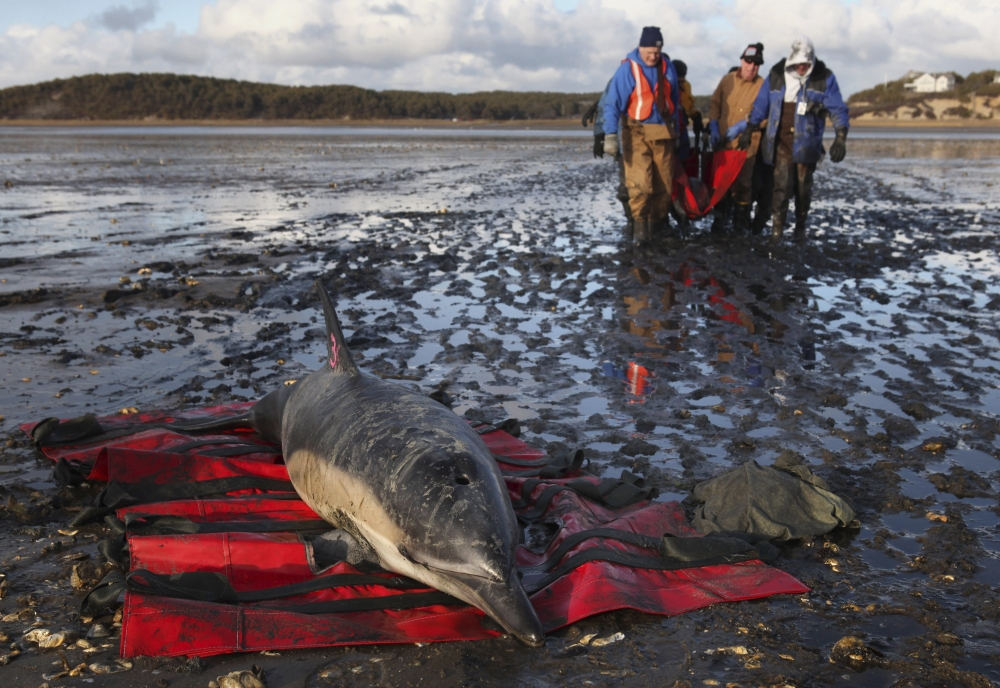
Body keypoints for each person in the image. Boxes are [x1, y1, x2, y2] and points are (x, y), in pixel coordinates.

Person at [739, 36, 849, 244]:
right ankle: (776, 232)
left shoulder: (823, 77)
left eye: (805, 64)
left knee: (802, 188)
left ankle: (800, 227)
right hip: (780, 141)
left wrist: (840, 136)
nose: (802, 68)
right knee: (780, 188)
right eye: (798, 64)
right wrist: (750, 128)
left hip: (807, 142)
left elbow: (837, 108)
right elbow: (762, 104)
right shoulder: (777, 75)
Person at [602, 26, 681, 248]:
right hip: (635, 131)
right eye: (649, 51)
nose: (653, 56)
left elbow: (675, 102)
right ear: (640, 47)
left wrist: (679, 133)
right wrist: (609, 135)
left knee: (663, 186)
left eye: (657, 51)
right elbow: (612, 103)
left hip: (663, 133)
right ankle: (640, 235)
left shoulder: (668, 67)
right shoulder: (628, 69)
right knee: (641, 185)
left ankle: (656, 231)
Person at [708, 43, 767, 234]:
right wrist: (714, 125)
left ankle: (740, 224)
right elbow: (715, 104)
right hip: (723, 141)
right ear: (742, 61)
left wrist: (745, 126)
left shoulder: (762, 85)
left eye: (756, 64)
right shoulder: (727, 80)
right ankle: (719, 221)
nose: (752, 67)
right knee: (720, 182)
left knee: (743, 183)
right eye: (749, 62)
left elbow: (767, 116)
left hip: (747, 143)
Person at [583, 80, 633, 236]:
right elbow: (607, 103)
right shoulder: (623, 75)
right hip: (625, 141)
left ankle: (652, 223)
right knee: (627, 184)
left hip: (655, 141)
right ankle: (633, 222)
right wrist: (599, 136)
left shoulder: (662, 71)